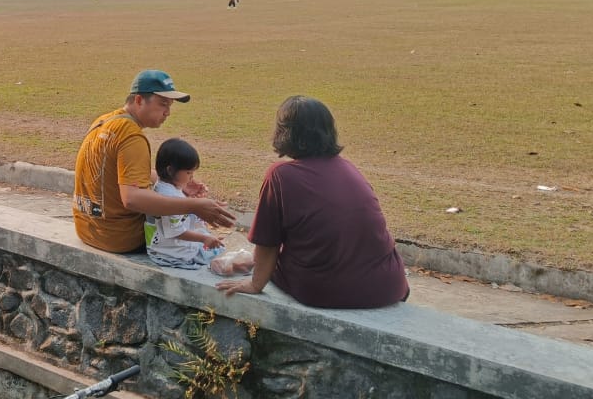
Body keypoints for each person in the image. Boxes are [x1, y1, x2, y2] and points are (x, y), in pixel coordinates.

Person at [217, 96, 409, 308]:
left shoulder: (280, 175)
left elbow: (268, 243)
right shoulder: (348, 167)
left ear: (285, 133)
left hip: (325, 291)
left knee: (274, 259)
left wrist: (255, 284)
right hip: (389, 286)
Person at [73, 70, 235, 253]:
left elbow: (123, 172)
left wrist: (173, 180)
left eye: (170, 106)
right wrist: (194, 207)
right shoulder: (131, 137)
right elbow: (132, 199)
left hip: (86, 229)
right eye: (163, 104)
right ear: (139, 100)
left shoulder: (104, 121)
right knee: (184, 227)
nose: (168, 113)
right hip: (119, 237)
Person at [146, 138, 225, 269]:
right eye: (189, 172)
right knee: (219, 261)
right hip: (172, 254)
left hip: (170, 246)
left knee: (217, 250)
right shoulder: (169, 198)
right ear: (170, 170)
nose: (192, 177)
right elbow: (175, 231)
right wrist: (204, 239)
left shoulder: (165, 186)